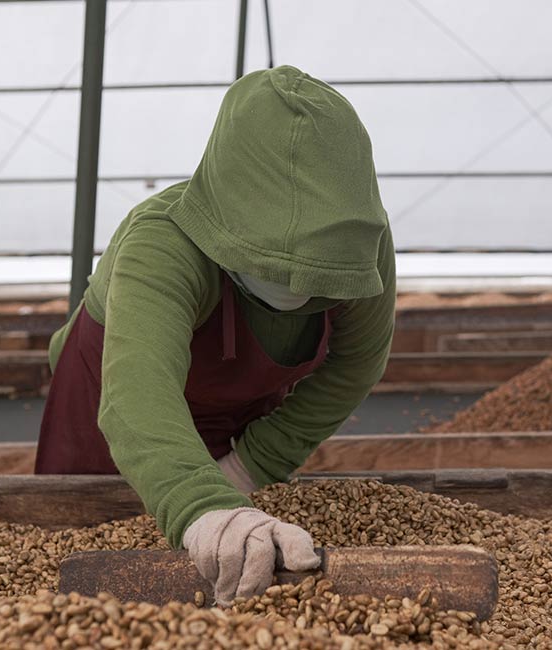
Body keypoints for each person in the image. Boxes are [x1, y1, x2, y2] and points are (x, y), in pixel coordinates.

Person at [35, 65, 395, 605]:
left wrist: (248, 467)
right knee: (67, 560)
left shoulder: (359, 248)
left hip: (235, 415)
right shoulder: (162, 243)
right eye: (275, 264)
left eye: (312, 274)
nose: (296, 286)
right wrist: (202, 506)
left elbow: (355, 366)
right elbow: (139, 393)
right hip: (111, 409)